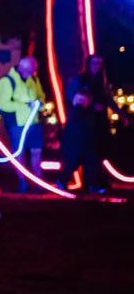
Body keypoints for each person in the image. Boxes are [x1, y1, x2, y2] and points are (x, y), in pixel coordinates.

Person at [60, 55, 112, 193]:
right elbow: (73, 99)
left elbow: (108, 99)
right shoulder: (80, 80)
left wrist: (122, 115)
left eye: (99, 63)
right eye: (94, 62)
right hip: (80, 124)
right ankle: (63, 180)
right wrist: (89, 106)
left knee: (93, 156)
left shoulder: (102, 81)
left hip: (95, 124)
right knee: (76, 156)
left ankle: (93, 183)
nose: (97, 65)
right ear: (88, 63)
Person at [0, 55, 45, 191]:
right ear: (22, 67)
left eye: (34, 69)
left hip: (34, 122)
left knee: (37, 152)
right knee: (20, 153)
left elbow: (41, 96)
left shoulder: (34, 79)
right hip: (17, 124)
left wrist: (39, 103)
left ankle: (38, 182)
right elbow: (3, 104)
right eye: (30, 69)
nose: (32, 72)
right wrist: (25, 105)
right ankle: (23, 181)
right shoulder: (7, 81)